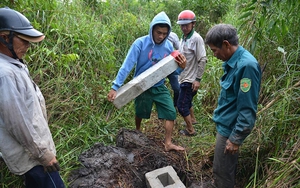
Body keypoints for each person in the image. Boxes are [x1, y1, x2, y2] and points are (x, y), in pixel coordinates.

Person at [0, 7, 65, 188]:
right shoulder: (4, 74)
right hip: (33, 157)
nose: (28, 46)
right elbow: (17, 122)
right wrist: (44, 155)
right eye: (24, 41)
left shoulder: (13, 64)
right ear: (5, 38)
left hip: (32, 151)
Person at [107, 11, 186, 152]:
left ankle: (168, 143)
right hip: (141, 86)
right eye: (158, 32)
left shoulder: (168, 47)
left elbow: (171, 71)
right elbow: (127, 66)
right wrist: (115, 86)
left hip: (159, 85)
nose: (161, 36)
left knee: (170, 112)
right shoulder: (140, 43)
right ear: (152, 29)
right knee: (140, 112)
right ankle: (138, 132)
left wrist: (181, 68)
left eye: (164, 33)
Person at [205, 24, 261, 187]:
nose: (215, 55)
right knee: (220, 170)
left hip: (230, 130)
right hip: (226, 126)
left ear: (226, 45)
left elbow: (247, 107)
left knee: (223, 175)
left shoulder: (246, 66)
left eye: (215, 50)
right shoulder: (232, 61)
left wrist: (235, 139)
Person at [176, 10, 207, 136]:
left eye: (186, 25)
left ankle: (190, 130)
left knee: (181, 106)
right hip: (183, 76)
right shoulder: (184, 37)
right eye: (182, 25)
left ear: (193, 24)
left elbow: (203, 59)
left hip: (190, 79)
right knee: (186, 101)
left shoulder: (196, 39)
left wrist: (198, 79)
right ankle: (192, 120)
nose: (184, 28)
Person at [167, 31, 180, 107]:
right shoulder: (155, 36)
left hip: (171, 66)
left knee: (177, 88)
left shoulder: (173, 35)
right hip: (158, 66)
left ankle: (176, 105)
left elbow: (179, 48)